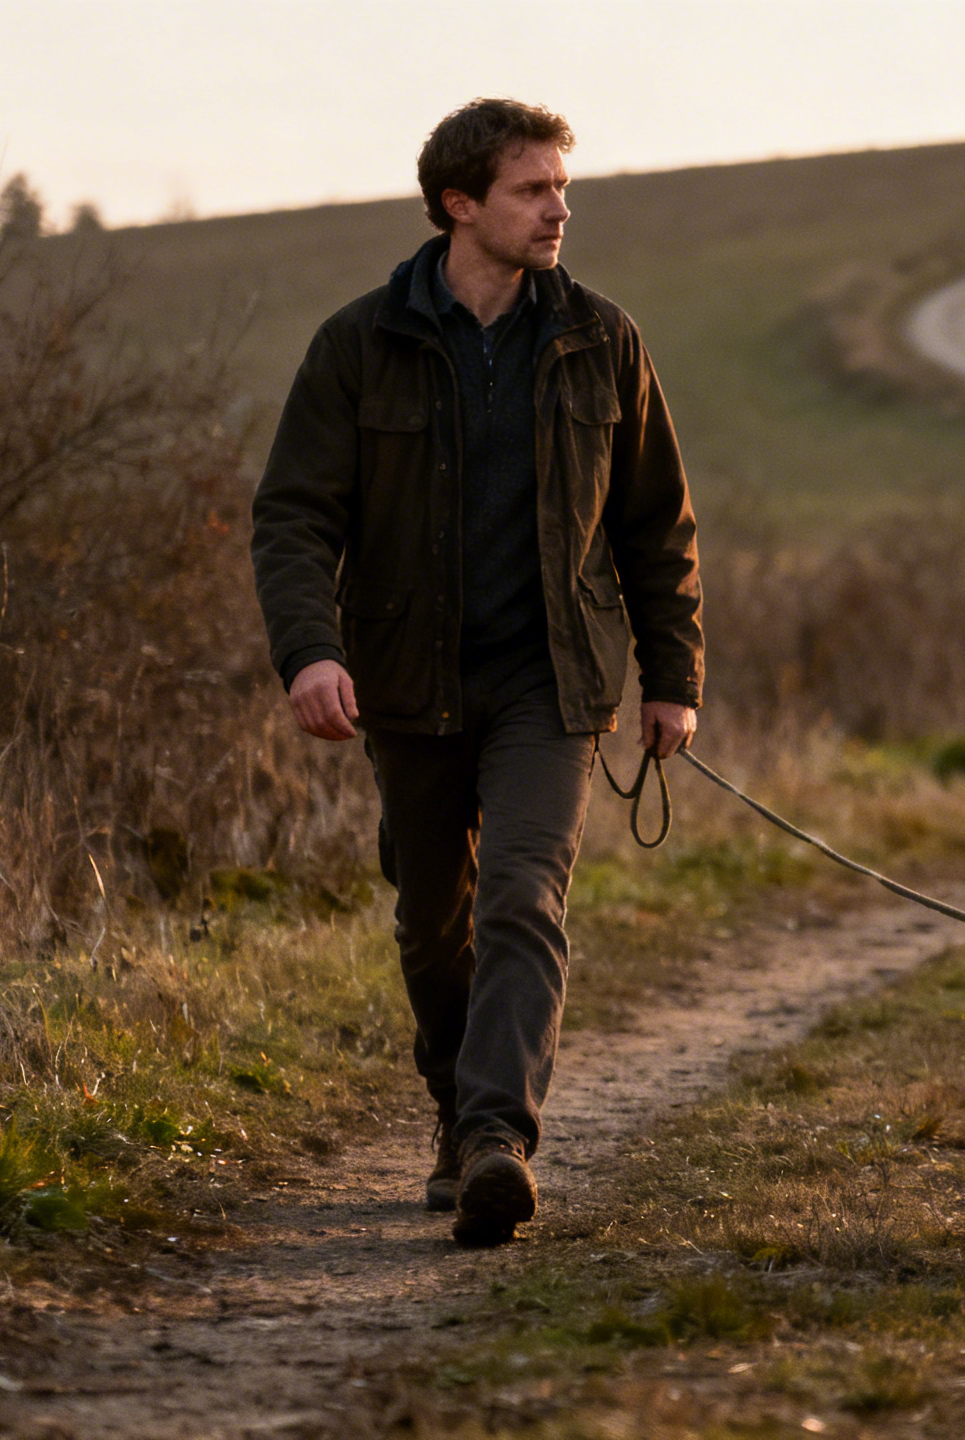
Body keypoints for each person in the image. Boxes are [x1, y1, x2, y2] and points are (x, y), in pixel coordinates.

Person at [250, 98, 703, 1246]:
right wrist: (310, 651)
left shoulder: (606, 339)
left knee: (521, 897)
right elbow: (295, 517)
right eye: (532, 189)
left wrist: (671, 675)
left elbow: (657, 524)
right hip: (406, 681)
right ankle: (457, 1113)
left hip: (554, 683)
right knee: (431, 920)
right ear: (461, 204)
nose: (559, 209)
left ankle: (499, 1138)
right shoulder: (361, 345)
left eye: (562, 186)